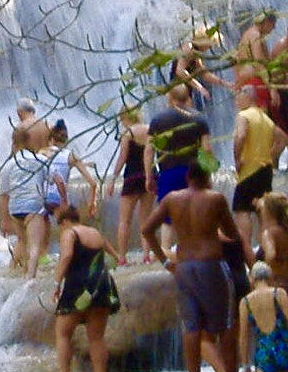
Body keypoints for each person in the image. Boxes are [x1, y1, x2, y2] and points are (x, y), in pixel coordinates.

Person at [141, 164, 244, 372]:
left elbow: (146, 230)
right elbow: (232, 233)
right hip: (211, 265)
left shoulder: (171, 199)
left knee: (191, 329)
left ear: (187, 177)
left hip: (184, 267)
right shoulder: (215, 199)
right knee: (227, 327)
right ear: (207, 177)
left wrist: (166, 261)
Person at [49, 203, 120, 372]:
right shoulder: (95, 232)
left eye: (59, 225)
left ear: (64, 222)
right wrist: (118, 258)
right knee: (96, 337)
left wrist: (56, 283)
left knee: (63, 332)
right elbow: (113, 254)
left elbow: (66, 256)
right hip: (101, 285)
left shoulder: (70, 234)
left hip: (78, 285)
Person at [230, 86, 280, 250]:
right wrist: (270, 155)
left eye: (239, 95)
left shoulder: (243, 116)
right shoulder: (267, 119)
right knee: (262, 210)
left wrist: (237, 159)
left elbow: (241, 135)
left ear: (247, 97)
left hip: (249, 169)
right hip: (266, 169)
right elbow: (283, 140)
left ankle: (245, 247)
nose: (236, 100)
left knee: (242, 210)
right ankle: (267, 247)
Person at [103, 106, 153, 263]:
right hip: (150, 175)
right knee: (146, 219)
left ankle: (122, 257)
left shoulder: (128, 133)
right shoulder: (151, 129)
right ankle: (146, 256)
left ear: (125, 117)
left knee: (125, 220)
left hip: (132, 176)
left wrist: (113, 177)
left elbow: (123, 157)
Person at [4, 142, 59, 277]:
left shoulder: (9, 164)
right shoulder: (41, 160)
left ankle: (11, 272)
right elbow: (55, 179)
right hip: (33, 206)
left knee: (22, 241)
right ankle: (30, 280)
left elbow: (4, 192)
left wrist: (5, 218)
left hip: (14, 208)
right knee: (34, 246)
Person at [147, 84, 207, 202]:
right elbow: (207, 149)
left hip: (168, 173)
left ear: (169, 97)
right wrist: (207, 174)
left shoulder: (158, 120)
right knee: (194, 214)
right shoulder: (199, 119)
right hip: (194, 174)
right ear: (188, 97)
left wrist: (149, 176)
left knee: (168, 215)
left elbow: (149, 150)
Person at [44, 120, 99, 218]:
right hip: (60, 198)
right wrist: (92, 203)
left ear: (51, 139)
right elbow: (93, 184)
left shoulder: (41, 153)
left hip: (43, 197)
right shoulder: (71, 156)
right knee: (65, 227)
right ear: (66, 140)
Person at [232, 11, 278, 113]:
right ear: (266, 22)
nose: (274, 28)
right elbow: (259, 62)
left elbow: (234, 58)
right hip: (256, 84)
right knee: (261, 119)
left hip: (245, 84)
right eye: (273, 24)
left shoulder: (247, 34)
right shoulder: (255, 35)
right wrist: (272, 88)